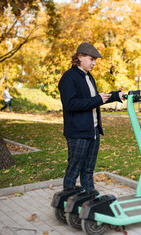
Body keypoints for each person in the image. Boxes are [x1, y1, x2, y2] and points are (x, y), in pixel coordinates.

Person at [58, 42, 126, 191]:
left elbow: (95, 99)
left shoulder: (89, 77)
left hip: (93, 131)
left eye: (95, 60)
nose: (94, 63)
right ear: (80, 57)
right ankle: (66, 206)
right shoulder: (69, 78)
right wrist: (96, 99)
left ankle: (90, 198)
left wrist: (116, 95)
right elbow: (70, 104)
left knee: (88, 170)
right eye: (91, 59)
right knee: (73, 171)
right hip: (78, 133)